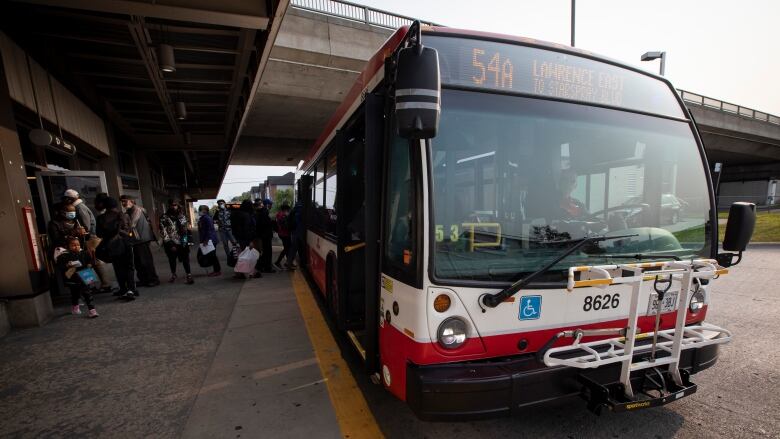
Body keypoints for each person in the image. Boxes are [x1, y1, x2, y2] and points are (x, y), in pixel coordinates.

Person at [96, 197, 137, 300]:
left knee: (118, 268)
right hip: (126, 244)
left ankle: (123, 289)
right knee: (129, 267)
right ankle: (131, 289)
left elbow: (99, 234)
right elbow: (129, 230)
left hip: (112, 246)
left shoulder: (101, 218)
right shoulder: (124, 215)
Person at [121, 195, 160, 287]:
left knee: (146, 261)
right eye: (122, 202)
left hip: (142, 239)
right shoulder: (129, 211)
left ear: (132, 201)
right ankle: (144, 279)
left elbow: (132, 224)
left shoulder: (137, 210)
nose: (123, 204)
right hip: (136, 240)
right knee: (138, 262)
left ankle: (153, 279)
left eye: (125, 201)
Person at [57, 237, 99, 318]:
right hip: (73, 276)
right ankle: (75, 306)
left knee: (87, 292)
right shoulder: (64, 255)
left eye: (78, 245)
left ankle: (92, 310)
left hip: (84, 274)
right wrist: (67, 265)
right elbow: (60, 266)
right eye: (73, 245)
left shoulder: (84, 253)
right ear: (68, 246)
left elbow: (90, 261)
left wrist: (90, 264)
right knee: (75, 293)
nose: (76, 247)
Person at [160, 199, 194, 284]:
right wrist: (170, 244)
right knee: (172, 259)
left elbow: (187, 230)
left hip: (183, 241)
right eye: (172, 205)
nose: (174, 206)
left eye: (175, 205)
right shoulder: (164, 217)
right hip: (171, 242)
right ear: (169, 205)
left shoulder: (182, 216)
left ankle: (188, 274)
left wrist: (187, 242)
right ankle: (174, 274)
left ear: (178, 205)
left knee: (185, 259)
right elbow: (162, 231)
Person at [197, 204, 221, 276]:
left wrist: (206, 240)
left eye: (200, 210)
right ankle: (216, 270)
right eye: (199, 210)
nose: (199, 211)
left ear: (205, 210)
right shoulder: (202, 218)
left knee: (212, 256)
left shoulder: (207, 218)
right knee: (210, 255)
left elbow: (209, 230)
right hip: (206, 240)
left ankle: (217, 270)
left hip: (210, 240)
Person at [254, 199, 274, 273]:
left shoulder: (259, 212)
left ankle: (260, 266)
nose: (271, 206)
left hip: (263, 235)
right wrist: (271, 223)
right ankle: (267, 268)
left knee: (265, 252)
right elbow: (264, 224)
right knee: (267, 252)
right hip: (266, 235)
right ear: (267, 205)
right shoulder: (264, 212)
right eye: (270, 204)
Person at [274, 203, 293, 270]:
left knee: (287, 248)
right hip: (284, 234)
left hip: (282, 233)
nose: (288, 211)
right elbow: (286, 226)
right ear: (285, 210)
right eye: (288, 210)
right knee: (287, 248)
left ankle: (288, 263)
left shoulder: (279, 214)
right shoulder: (283, 216)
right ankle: (278, 262)